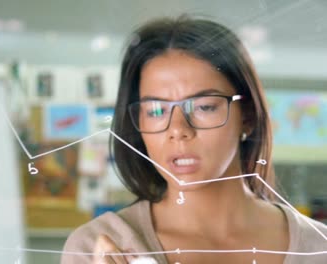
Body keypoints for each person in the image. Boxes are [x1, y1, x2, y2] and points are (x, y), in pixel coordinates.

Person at [61, 15, 327, 264]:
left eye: (204, 107)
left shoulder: (318, 246)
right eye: (156, 110)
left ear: (246, 116)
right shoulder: (98, 248)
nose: (178, 129)